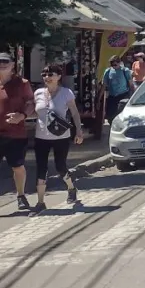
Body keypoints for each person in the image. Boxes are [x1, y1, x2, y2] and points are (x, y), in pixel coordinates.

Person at [31, 64, 84, 214]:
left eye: (51, 74)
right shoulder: (38, 93)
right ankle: (41, 202)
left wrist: (78, 131)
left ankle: (71, 188)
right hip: (41, 136)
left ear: (59, 77)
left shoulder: (66, 93)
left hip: (61, 136)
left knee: (60, 166)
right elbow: (36, 113)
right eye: (44, 74)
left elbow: (74, 112)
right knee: (41, 168)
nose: (47, 77)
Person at [1, 52, 37, 212]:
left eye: (5, 62)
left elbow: (30, 103)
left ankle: (21, 195)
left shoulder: (22, 83)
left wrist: (22, 115)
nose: (2, 64)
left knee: (17, 166)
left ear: (12, 65)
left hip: (15, 134)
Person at [102, 55, 133, 123]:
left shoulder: (125, 71)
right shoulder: (108, 71)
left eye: (115, 64)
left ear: (119, 63)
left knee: (121, 116)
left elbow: (131, 85)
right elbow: (104, 86)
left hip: (123, 96)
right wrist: (99, 99)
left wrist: (132, 97)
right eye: (112, 64)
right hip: (112, 97)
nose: (113, 66)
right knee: (110, 116)